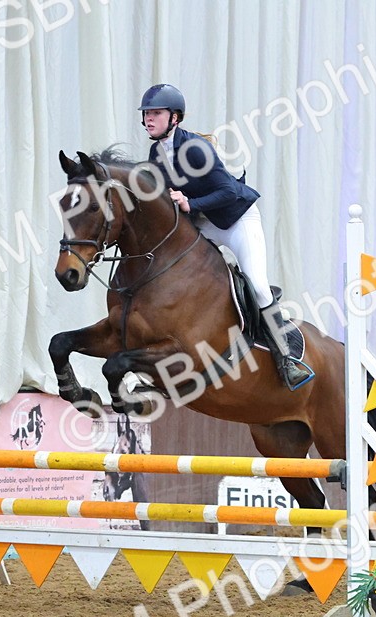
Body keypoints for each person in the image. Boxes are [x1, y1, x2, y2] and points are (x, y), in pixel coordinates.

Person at [137, 83, 313, 391]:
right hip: (204, 224)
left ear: (175, 118)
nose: (149, 119)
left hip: (236, 220)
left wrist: (190, 204)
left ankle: (286, 358)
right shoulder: (155, 153)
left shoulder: (195, 148)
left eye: (156, 113)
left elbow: (228, 191)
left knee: (257, 284)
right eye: (147, 114)